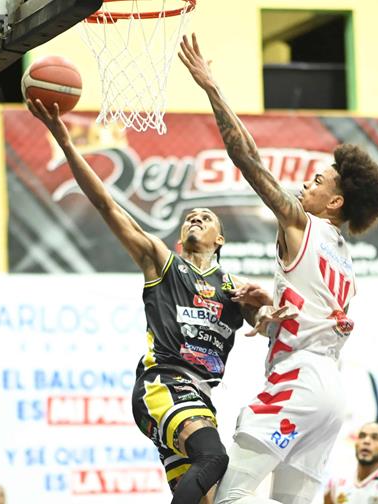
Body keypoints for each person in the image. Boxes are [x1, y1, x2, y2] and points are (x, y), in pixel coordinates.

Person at [26, 99, 286, 504]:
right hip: (163, 384)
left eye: (206, 217)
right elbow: (106, 204)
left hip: (200, 397)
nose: (196, 217)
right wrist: (64, 139)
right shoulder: (162, 263)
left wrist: (267, 305)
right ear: (181, 237)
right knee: (215, 458)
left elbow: (271, 327)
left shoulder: (234, 287)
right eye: (190, 217)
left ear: (220, 239)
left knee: (206, 498)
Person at [179, 33, 378, 504]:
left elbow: (247, 158)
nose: (305, 185)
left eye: (317, 182)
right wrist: (269, 308)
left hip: (299, 379)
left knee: (229, 496)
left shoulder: (302, 224)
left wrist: (211, 87)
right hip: (331, 393)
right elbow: (310, 308)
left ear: (334, 203)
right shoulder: (344, 259)